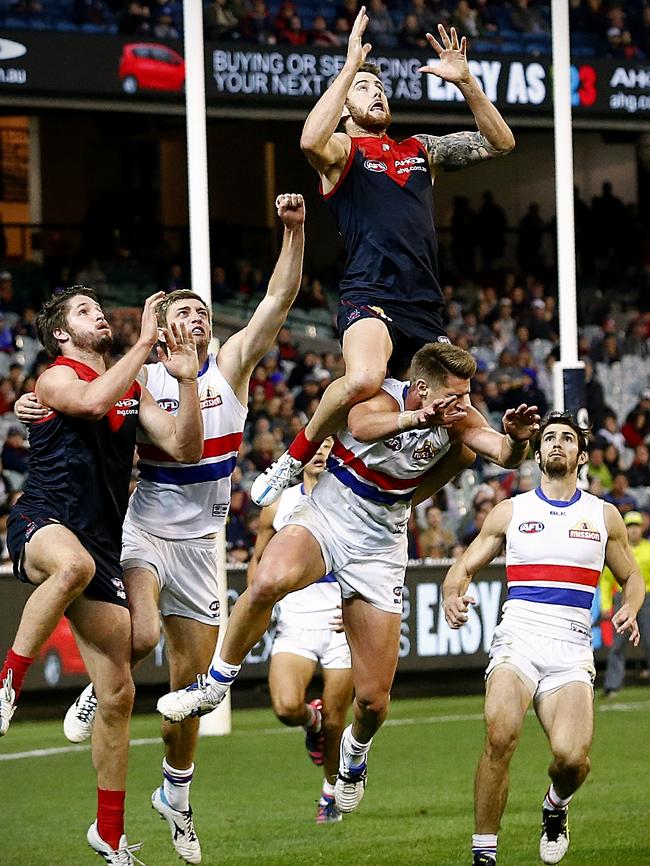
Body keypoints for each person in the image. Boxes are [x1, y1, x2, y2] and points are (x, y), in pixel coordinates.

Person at [13, 195, 307, 864]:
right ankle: (99, 688)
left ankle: (175, 795)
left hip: (202, 542)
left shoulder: (231, 365)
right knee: (139, 636)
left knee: (186, 692)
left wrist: (294, 232)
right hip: (144, 527)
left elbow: (279, 299)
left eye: (201, 311)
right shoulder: (138, 375)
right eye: (183, 311)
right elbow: (86, 391)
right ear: (163, 326)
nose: (196, 316)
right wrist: (37, 399)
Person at [156, 342, 540, 817]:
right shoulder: (382, 398)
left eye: (466, 394)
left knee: (374, 701)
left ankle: (355, 754)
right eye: (454, 395)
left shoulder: (459, 416)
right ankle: (215, 682)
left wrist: (520, 440)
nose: (464, 404)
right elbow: (361, 425)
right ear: (420, 390)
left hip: (381, 544)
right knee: (268, 579)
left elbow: (502, 452)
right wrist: (420, 419)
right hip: (330, 515)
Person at [251, 9, 515, 507]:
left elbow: (500, 143)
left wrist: (467, 83)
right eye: (365, 90)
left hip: (423, 304)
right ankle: (293, 459)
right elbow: (309, 139)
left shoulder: (421, 150)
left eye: (380, 88)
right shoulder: (341, 152)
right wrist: (350, 67)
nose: (378, 93)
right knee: (366, 379)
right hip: (369, 291)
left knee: (461, 430)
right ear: (345, 105)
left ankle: (399, 505)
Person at [0, 287, 203, 865]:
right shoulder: (53, 378)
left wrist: (186, 380)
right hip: (44, 520)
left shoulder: (131, 391)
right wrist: (144, 343)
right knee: (72, 565)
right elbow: (89, 403)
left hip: (102, 543)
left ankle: (109, 837)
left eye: (97, 308)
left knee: (121, 688)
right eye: (85, 311)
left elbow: (183, 447)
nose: (98, 315)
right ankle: (8, 682)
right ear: (63, 334)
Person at [442, 411, 644, 866]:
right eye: (549, 438)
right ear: (536, 453)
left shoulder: (602, 515)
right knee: (500, 735)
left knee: (572, 760)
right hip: (519, 638)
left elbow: (631, 576)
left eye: (566, 438)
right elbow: (463, 567)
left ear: (581, 455)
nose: (556, 443)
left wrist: (631, 604)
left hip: (571, 647)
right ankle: (484, 852)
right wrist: (452, 593)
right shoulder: (511, 511)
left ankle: (555, 805)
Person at [249, 437, 354, 824]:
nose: (323, 453)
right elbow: (259, 560)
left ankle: (330, 791)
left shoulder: (350, 501)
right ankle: (309, 722)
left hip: (339, 622)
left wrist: (359, 604)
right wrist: (257, 606)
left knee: (337, 720)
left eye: (331, 446)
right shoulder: (279, 504)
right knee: (285, 707)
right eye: (317, 446)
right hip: (295, 617)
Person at [603, 510, 650, 697]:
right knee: (618, 644)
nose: (633, 530)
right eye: (629, 526)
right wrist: (606, 605)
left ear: (642, 528)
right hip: (622, 599)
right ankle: (612, 686)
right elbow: (606, 579)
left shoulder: (648, 548)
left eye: (636, 526)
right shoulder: (618, 549)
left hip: (647, 598)